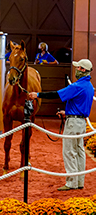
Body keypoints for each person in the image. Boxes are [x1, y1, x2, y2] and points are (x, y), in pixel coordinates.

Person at [29, 58, 94, 191]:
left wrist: (37, 95)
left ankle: (71, 182)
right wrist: (68, 112)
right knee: (79, 151)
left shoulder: (77, 86)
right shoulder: (89, 86)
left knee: (69, 151)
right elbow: (80, 104)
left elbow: (57, 94)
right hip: (81, 122)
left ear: (82, 70)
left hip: (73, 123)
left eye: (78, 68)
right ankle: (79, 181)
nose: (76, 70)